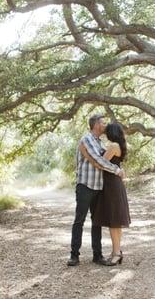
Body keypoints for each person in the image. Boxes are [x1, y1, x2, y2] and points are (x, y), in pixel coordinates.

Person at [67, 114, 125, 267]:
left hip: (98, 186)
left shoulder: (100, 143)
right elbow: (99, 162)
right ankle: (74, 255)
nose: (105, 125)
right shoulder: (87, 139)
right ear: (96, 125)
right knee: (79, 220)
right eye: (103, 122)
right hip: (85, 185)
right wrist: (117, 170)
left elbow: (106, 159)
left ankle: (97, 255)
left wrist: (117, 167)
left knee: (96, 222)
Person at [91, 122, 131, 266]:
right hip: (112, 184)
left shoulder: (113, 146)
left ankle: (116, 253)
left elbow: (101, 163)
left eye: (107, 131)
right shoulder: (117, 146)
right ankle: (117, 252)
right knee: (115, 222)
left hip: (112, 186)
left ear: (111, 133)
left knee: (114, 222)